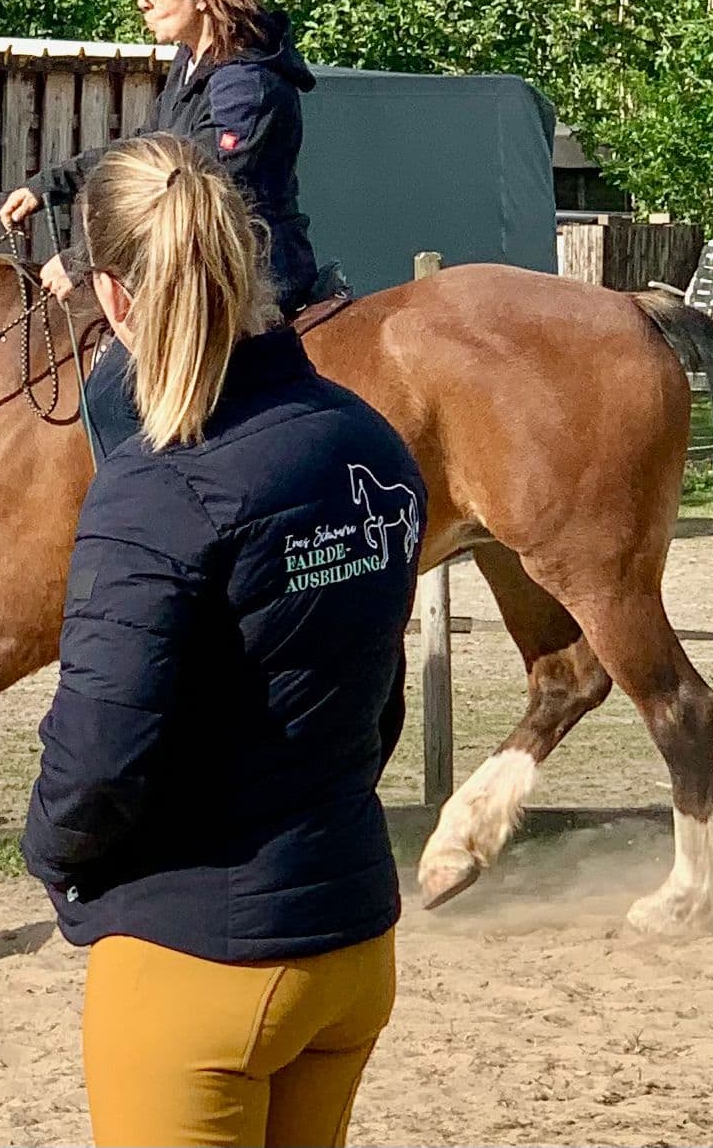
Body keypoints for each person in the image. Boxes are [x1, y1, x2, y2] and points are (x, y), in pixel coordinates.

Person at [21, 133, 425, 1148]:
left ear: (112, 296)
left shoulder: (154, 489)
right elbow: (377, 697)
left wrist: (52, 854)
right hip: (350, 935)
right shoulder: (367, 442)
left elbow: (101, 752)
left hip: (196, 955)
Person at [0, 0, 319, 316]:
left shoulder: (246, 86)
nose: (143, 2)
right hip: (196, 263)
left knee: (118, 375)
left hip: (252, 277)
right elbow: (145, 151)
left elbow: (192, 190)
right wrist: (51, 184)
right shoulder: (191, 60)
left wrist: (84, 260)